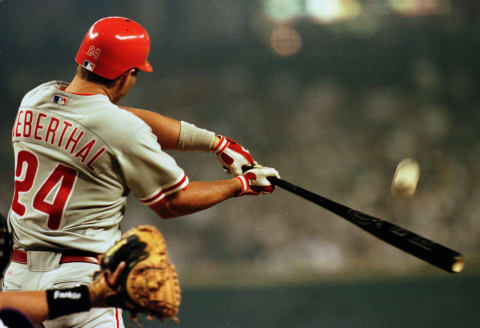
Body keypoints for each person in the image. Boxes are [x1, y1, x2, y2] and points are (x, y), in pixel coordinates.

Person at [3, 16, 279, 328]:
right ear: (128, 74)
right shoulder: (121, 128)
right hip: (83, 283)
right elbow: (172, 203)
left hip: (18, 284)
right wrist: (240, 184)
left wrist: (214, 143)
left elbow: (109, 116)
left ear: (82, 58)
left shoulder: (34, 99)